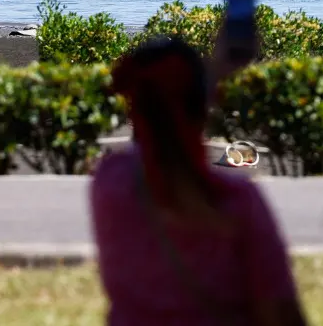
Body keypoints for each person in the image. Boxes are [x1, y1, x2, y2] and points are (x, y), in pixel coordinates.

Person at [92, 36, 306, 326]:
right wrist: (217, 73)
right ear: (203, 107)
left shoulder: (111, 183)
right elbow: (281, 313)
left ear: (132, 108)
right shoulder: (235, 200)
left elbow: (159, 128)